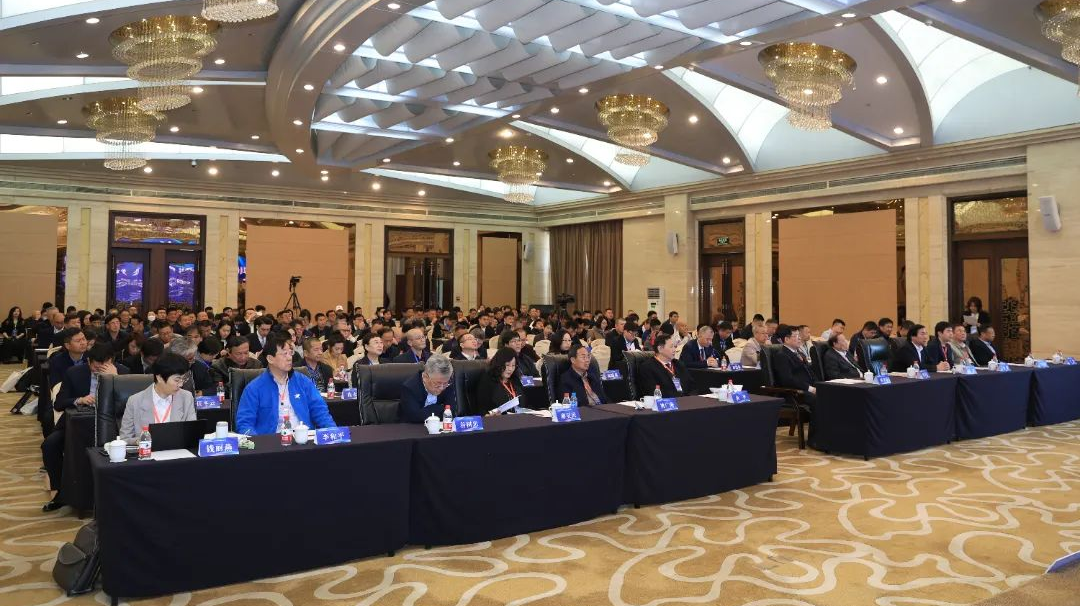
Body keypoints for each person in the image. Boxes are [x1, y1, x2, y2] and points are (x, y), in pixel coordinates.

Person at [42, 342, 128, 511]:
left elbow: (129, 405)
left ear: (112, 362)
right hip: (76, 423)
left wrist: (116, 379)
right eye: (95, 367)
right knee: (50, 445)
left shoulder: (123, 372)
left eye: (103, 367)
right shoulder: (74, 373)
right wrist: (79, 400)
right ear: (88, 362)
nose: (98, 370)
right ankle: (61, 492)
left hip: (113, 426)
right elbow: (59, 403)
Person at [234, 335, 336, 435]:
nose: (289, 358)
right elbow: (244, 424)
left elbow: (320, 411)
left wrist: (333, 432)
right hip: (271, 441)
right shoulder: (254, 388)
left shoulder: (303, 381)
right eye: (284, 354)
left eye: (290, 353)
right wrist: (258, 442)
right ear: (270, 359)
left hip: (303, 438)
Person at [118, 353, 197, 444]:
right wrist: (141, 441)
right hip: (148, 451)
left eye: (183, 379)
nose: (181, 384)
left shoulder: (186, 397)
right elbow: (125, 438)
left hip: (177, 450)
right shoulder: (135, 401)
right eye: (177, 380)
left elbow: (192, 433)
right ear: (159, 378)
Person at [397, 354, 457, 423]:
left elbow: (452, 412)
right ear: (425, 377)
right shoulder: (409, 388)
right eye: (437, 383)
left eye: (445, 383)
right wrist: (439, 408)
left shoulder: (447, 384)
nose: (441, 387)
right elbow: (414, 417)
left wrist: (426, 411)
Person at [634, 333, 695, 399]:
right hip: (667, 402)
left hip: (686, 401)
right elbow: (653, 392)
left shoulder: (678, 364)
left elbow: (692, 386)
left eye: (675, 347)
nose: (674, 350)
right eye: (671, 347)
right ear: (660, 349)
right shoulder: (647, 368)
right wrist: (679, 396)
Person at [474, 347, 526, 416]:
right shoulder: (488, 380)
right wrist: (489, 414)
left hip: (518, 417)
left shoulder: (515, 379)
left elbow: (523, 402)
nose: (510, 369)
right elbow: (482, 410)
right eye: (507, 365)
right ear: (499, 364)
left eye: (513, 365)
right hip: (498, 419)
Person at [773, 325, 817, 401]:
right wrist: (810, 388)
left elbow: (809, 372)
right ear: (787, 339)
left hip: (808, 388)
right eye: (796, 336)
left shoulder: (800, 353)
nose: (799, 338)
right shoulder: (782, 355)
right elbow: (788, 380)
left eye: (799, 335)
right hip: (795, 393)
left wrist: (819, 385)